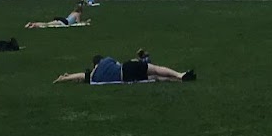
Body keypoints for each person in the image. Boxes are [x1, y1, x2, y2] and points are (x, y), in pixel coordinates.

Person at [55, 51, 196, 84]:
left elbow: (80, 75)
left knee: (154, 77)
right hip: (126, 69)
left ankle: (177, 80)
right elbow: (119, 64)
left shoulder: (93, 76)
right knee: (156, 69)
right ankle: (179, 75)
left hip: (126, 78)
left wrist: (64, 78)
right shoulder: (106, 61)